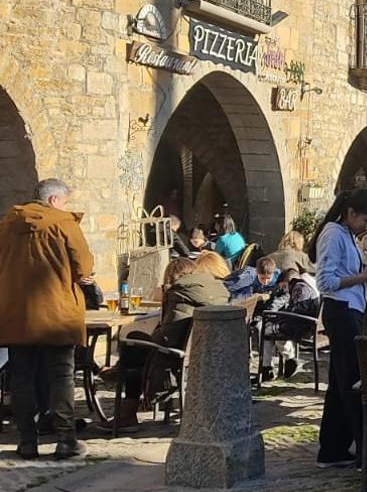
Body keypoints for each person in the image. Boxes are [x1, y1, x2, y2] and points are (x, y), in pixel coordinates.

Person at [0, 179, 96, 460]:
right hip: (57, 314)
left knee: (21, 378)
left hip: (16, 313)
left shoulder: (6, 225)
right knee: (61, 376)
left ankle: (28, 441)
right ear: (54, 200)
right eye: (65, 202)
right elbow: (84, 265)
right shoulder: (63, 223)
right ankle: (66, 440)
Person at [310, 189, 367, 472]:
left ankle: (333, 448)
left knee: (340, 384)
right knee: (356, 383)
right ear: (351, 214)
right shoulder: (334, 235)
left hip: (350, 310)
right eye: (366, 220)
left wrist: (365, 271)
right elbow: (326, 281)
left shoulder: (345, 234)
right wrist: (364, 277)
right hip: (341, 312)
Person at [111, 257, 228, 430]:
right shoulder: (213, 290)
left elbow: (165, 338)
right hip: (201, 353)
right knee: (136, 344)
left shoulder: (179, 294)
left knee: (132, 343)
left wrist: (153, 333)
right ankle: (120, 381)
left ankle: (128, 412)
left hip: (174, 357)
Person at [260, 267, 321, 381]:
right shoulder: (305, 286)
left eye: (284, 286)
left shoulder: (299, 288)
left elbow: (296, 313)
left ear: (290, 281)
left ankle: (266, 368)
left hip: (303, 327)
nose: (284, 290)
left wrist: (279, 317)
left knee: (266, 329)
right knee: (276, 333)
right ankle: (289, 360)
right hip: (309, 324)